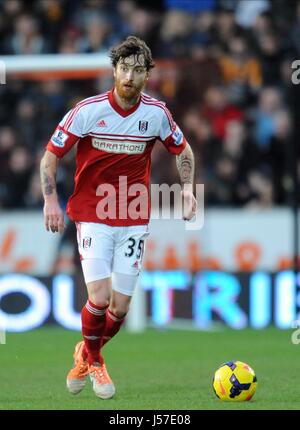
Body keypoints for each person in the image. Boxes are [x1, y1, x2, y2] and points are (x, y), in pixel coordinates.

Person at [40, 35, 197, 400]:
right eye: (123, 69)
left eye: (137, 70)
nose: (129, 76)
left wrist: (187, 188)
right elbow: (51, 155)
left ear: (147, 76)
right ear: (114, 71)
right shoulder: (88, 110)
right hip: (93, 213)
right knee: (99, 296)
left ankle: (85, 352)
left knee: (121, 306)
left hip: (134, 216)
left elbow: (183, 149)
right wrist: (50, 200)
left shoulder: (156, 114)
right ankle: (95, 361)